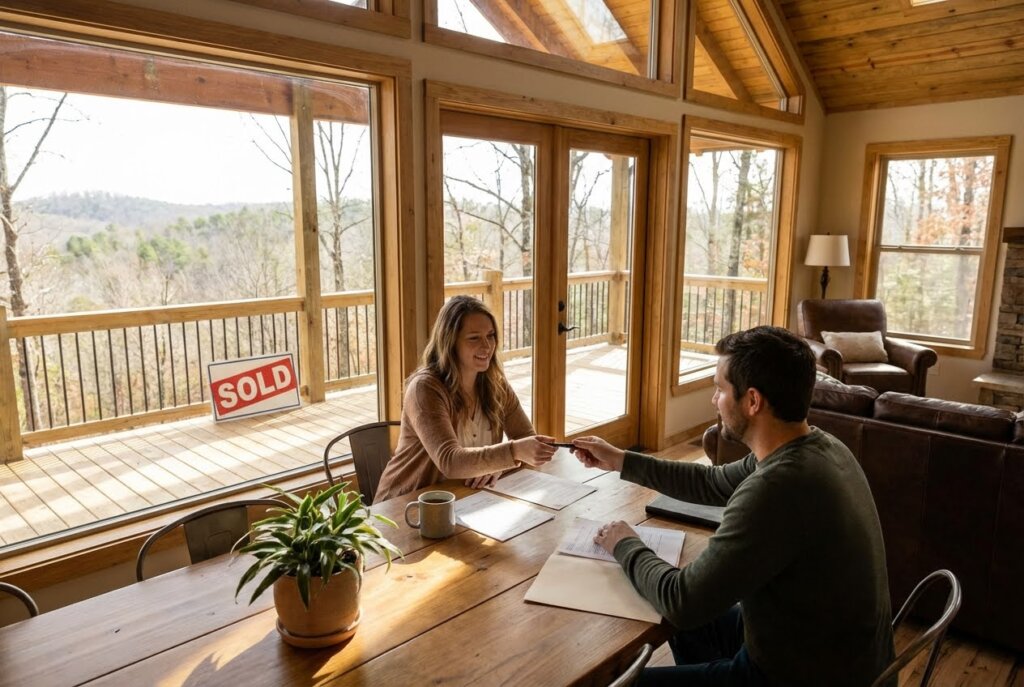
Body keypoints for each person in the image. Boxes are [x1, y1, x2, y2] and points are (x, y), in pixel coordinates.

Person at [572, 326, 895, 687]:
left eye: (720, 389)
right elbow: (710, 482)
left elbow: (683, 600)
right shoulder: (819, 446)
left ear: (753, 401)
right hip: (824, 650)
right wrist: (620, 460)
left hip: (801, 675)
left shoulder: (778, 488)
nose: (714, 400)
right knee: (681, 625)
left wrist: (624, 543)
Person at [374, 295, 556, 503]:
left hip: (462, 501)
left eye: (491, 335)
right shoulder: (425, 389)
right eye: (474, 338)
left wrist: (499, 465)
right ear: (450, 342)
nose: (487, 346)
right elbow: (450, 461)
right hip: (404, 505)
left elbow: (527, 438)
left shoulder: (496, 384)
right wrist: (511, 452)